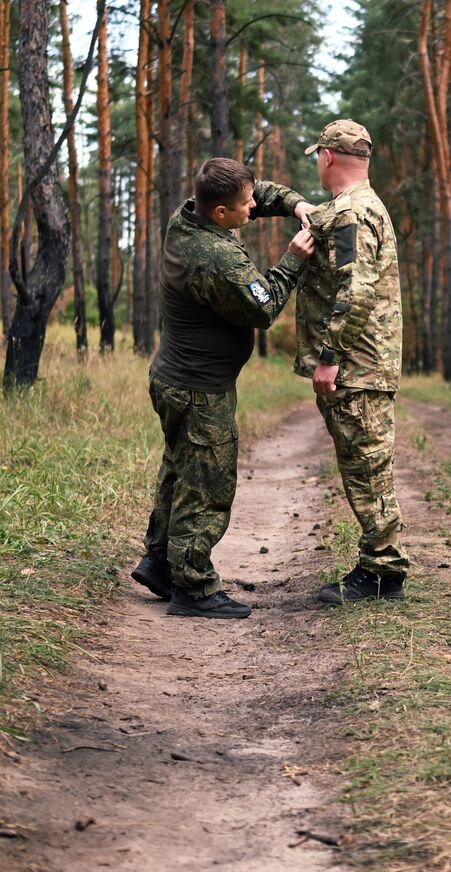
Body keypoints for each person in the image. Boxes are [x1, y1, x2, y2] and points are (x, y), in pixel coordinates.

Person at [136, 157, 315, 619]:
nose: (254, 207)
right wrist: (294, 258)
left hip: (173, 378)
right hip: (199, 391)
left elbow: (251, 193)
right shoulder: (216, 257)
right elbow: (264, 307)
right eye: (245, 204)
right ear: (221, 214)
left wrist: (295, 204)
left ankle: (160, 561)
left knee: (180, 469)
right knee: (207, 483)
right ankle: (193, 588)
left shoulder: (189, 214)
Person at [296, 119, 411, 605]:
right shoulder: (361, 207)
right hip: (365, 364)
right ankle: (379, 567)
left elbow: (356, 287)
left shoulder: (351, 213)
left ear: (327, 157)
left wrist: (330, 357)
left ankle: (383, 571)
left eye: (317, 157)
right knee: (367, 466)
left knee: (367, 468)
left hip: (356, 367)